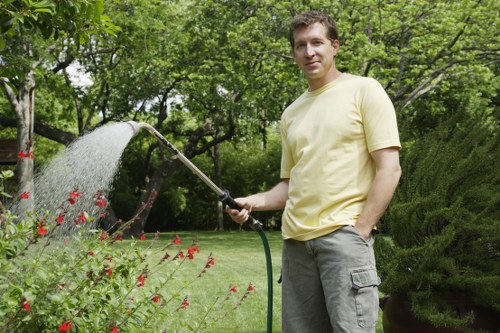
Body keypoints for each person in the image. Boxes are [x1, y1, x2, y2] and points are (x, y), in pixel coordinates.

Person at [226, 10, 402, 333]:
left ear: (334, 46)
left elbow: (389, 169)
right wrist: (251, 202)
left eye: (317, 42)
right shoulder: (291, 114)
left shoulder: (365, 91)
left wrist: (360, 231)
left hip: (344, 240)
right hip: (296, 246)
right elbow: (289, 186)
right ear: (293, 53)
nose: (309, 52)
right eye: (300, 45)